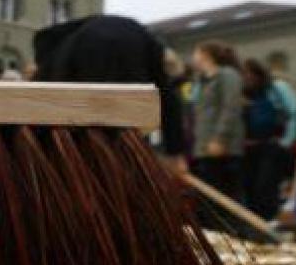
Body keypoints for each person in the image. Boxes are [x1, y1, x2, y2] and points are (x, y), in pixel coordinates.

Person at [34, 15, 189, 171]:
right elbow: (165, 96)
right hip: (124, 117)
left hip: (85, 125)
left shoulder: (62, 48)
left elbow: (42, 102)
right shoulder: (142, 37)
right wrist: (175, 152)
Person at [191, 41, 246, 225]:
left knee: (226, 192)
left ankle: (233, 229)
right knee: (210, 194)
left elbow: (230, 107)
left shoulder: (227, 75)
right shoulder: (202, 80)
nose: (193, 57)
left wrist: (219, 138)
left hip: (223, 146)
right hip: (204, 146)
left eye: (196, 52)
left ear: (206, 54)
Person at [240, 58, 290, 221]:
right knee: (249, 190)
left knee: (266, 188)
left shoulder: (273, 91)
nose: (246, 77)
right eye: (244, 74)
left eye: (250, 74)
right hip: (246, 150)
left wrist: (286, 140)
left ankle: (268, 223)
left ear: (258, 75)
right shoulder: (240, 95)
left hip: (269, 148)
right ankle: (254, 224)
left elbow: (290, 113)